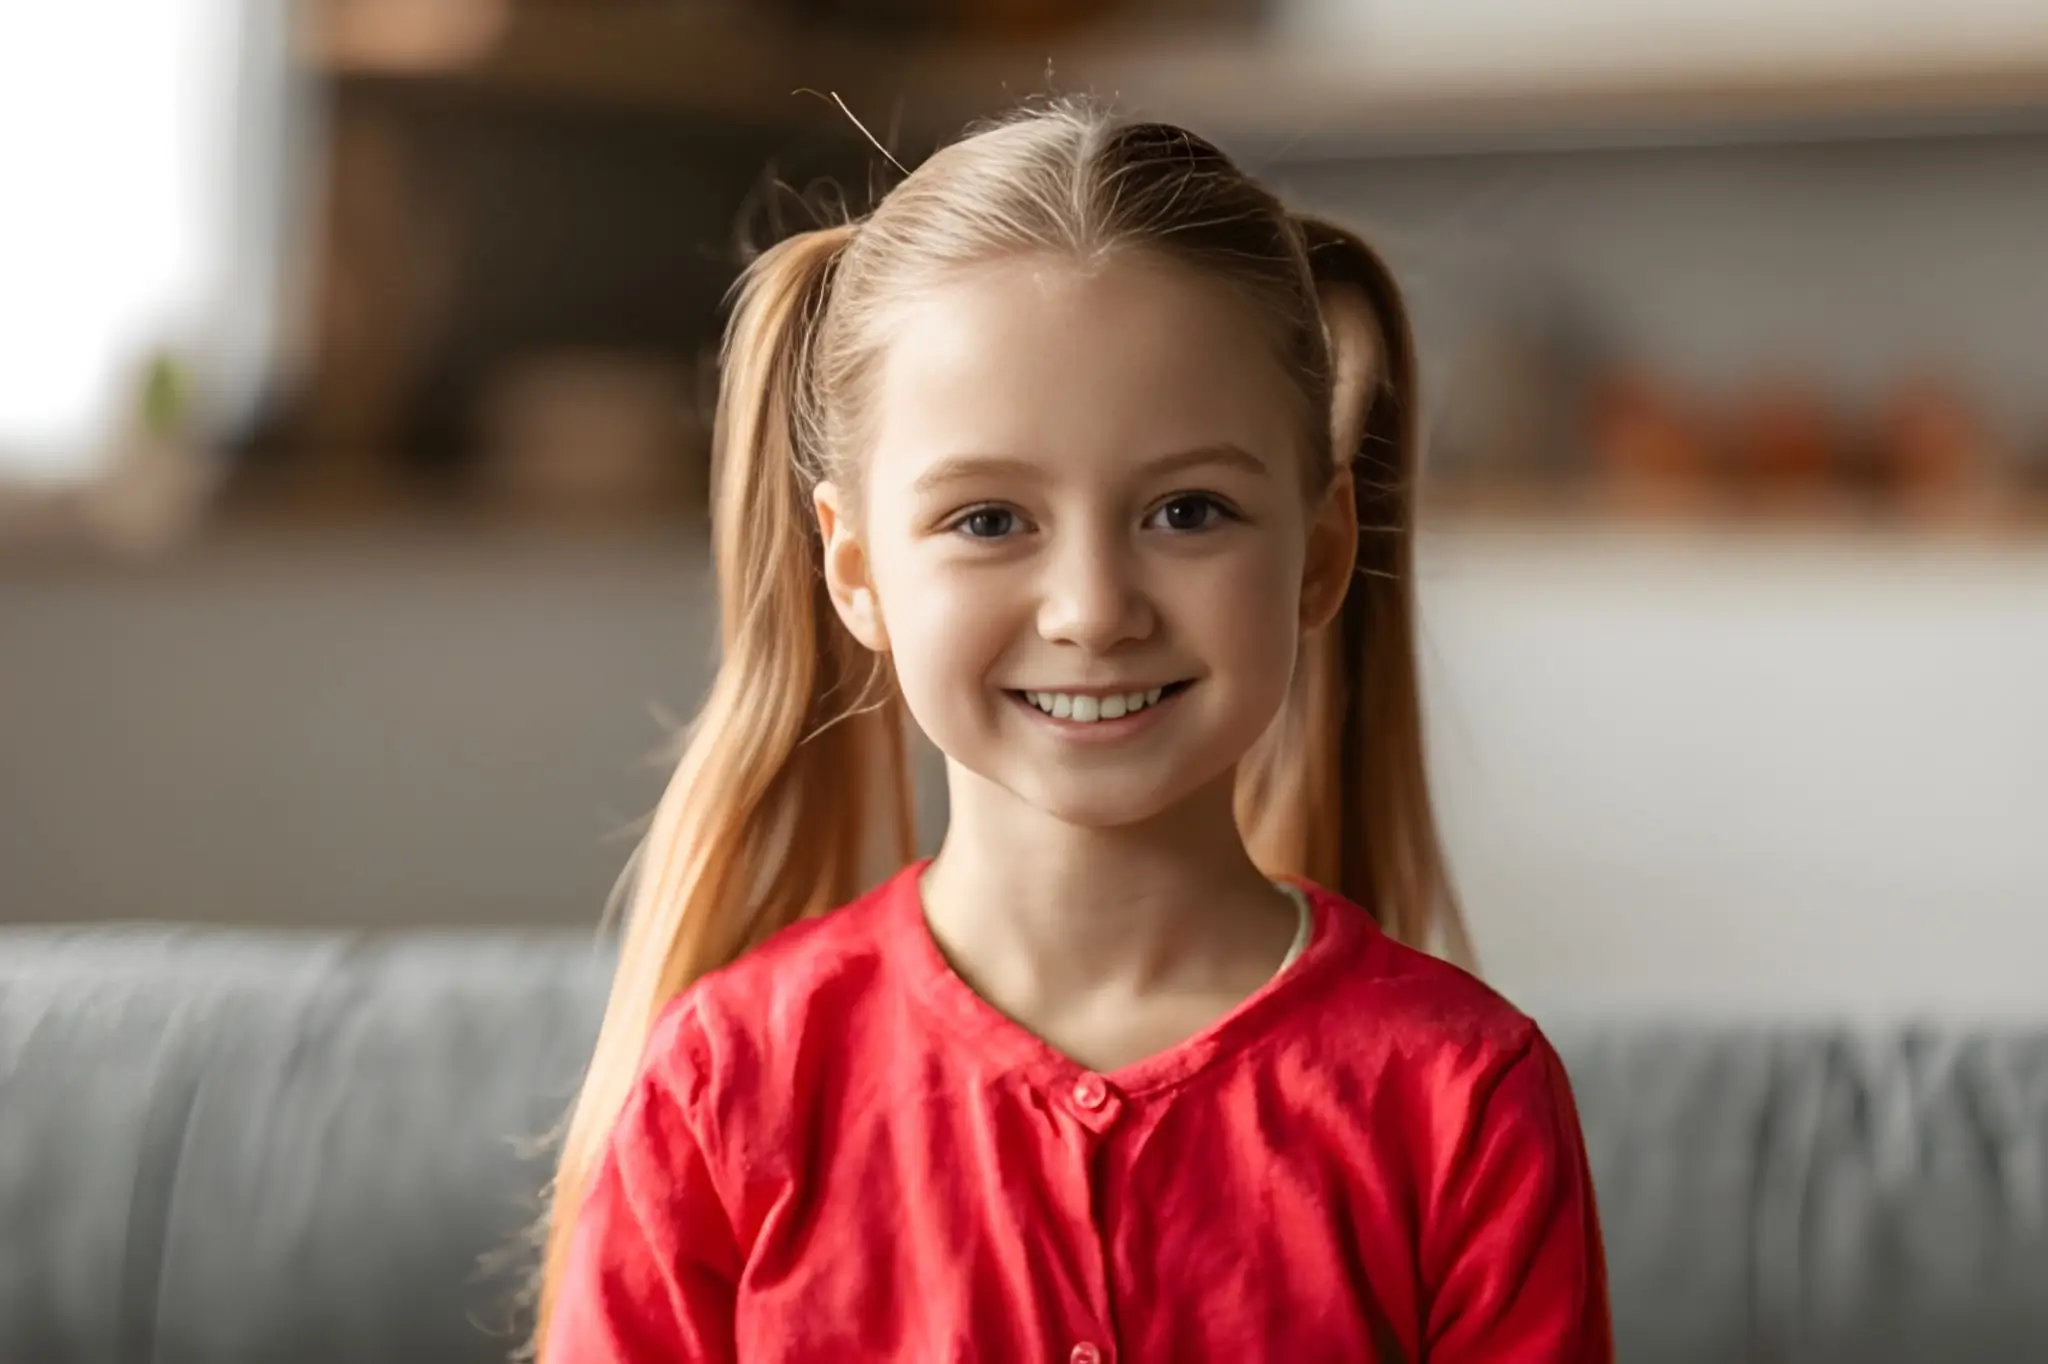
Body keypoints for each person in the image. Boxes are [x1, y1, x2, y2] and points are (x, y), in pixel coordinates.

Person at [537, 99, 1612, 1363]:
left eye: (1188, 510)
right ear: (855, 570)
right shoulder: (724, 1089)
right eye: (989, 519)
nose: (1093, 610)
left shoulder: (1465, 1104)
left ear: (1320, 553)